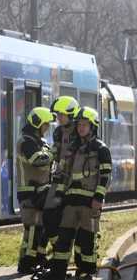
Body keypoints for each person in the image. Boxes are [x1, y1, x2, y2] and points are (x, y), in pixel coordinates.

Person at [38, 107, 112, 280]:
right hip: (70, 202)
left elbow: (106, 176)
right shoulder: (72, 148)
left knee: (86, 242)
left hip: (89, 203)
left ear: (92, 127)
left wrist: (99, 198)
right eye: (79, 124)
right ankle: (58, 274)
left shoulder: (101, 148)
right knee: (63, 240)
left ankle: (87, 273)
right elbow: (63, 173)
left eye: (85, 125)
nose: (81, 128)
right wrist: (58, 197)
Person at [35, 96, 80, 269]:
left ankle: (66, 259)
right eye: (57, 115)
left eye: (61, 115)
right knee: (48, 215)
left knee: (69, 223)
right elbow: (55, 151)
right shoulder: (58, 132)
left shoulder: (80, 131)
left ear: (71, 114)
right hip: (59, 180)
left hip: (74, 184)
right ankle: (56, 251)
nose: (58, 118)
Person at [15, 107, 56, 274]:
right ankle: (26, 262)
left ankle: (38, 258)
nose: (47, 128)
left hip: (42, 192)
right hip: (29, 193)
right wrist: (53, 154)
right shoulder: (26, 142)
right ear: (37, 123)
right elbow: (36, 160)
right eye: (45, 124)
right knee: (32, 228)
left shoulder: (41, 142)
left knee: (41, 227)